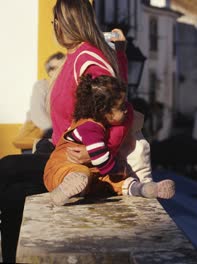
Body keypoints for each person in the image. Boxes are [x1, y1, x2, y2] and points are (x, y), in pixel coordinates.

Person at [0, 0, 158, 261]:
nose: (53, 28)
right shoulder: (77, 55)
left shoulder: (89, 59)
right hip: (58, 150)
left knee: (8, 171)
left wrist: (97, 152)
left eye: (55, 22)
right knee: (13, 194)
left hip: (73, 159)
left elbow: (121, 111)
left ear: (65, 22)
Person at [44, 75, 174, 206]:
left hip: (93, 172)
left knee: (113, 183)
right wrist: (120, 170)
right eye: (121, 107)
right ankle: (63, 190)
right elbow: (103, 161)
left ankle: (144, 189)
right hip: (64, 165)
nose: (126, 110)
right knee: (82, 174)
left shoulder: (101, 124)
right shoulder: (90, 127)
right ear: (103, 111)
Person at [12, 52, 65, 152]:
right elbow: (38, 113)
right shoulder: (42, 86)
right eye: (54, 68)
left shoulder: (67, 88)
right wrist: (55, 132)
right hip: (41, 137)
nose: (58, 71)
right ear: (49, 71)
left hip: (57, 140)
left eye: (62, 67)